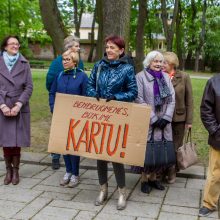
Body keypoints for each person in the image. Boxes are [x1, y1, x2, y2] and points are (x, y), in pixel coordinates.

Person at [86, 35, 137, 210]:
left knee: (115, 155)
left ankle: (122, 192)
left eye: (113, 48)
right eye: (107, 47)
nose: (109, 50)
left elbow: (133, 92)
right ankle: (103, 189)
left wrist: (116, 97)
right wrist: (95, 94)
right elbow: (89, 86)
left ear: (121, 51)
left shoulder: (127, 69)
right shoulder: (98, 66)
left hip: (118, 117)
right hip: (98, 115)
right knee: (100, 155)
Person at [135, 51, 175, 194]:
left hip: (164, 122)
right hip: (148, 121)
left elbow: (172, 99)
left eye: (160, 61)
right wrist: (153, 118)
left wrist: (166, 118)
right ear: (149, 62)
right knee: (147, 151)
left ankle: (154, 178)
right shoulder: (140, 77)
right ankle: (144, 179)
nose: (158, 64)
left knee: (159, 150)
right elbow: (139, 98)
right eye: (155, 61)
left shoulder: (166, 77)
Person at [49, 50, 88, 187]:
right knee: (64, 145)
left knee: (73, 146)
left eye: (67, 59)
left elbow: (86, 97)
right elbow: (52, 93)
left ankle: (75, 174)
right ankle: (68, 171)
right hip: (61, 116)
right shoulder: (59, 75)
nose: (64, 61)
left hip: (76, 118)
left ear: (75, 62)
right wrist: (53, 107)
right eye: (63, 59)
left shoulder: (82, 76)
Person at [46, 35, 84, 170]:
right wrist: (55, 102)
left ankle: (74, 170)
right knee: (60, 135)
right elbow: (50, 82)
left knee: (73, 138)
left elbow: (82, 84)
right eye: (76, 46)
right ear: (69, 47)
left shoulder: (79, 63)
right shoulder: (58, 63)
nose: (79, 48)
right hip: (60, 104)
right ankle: (56, 157)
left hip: (74, 109)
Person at [0, 35, 33, 185]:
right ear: (5, 46)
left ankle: (16, 171)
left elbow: (29, 87)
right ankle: (8, 170)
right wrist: (3, 105)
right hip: (3, 106)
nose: (15, 46)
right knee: (6, 140)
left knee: (17, 140)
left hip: (20, 106)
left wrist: (19, 104)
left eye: (17, 44)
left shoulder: (24, 63)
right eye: (11, 44)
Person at [163, 52, 193, 183]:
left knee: (175, 147)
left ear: (172, 64)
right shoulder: (160, 76)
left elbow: (190, 100)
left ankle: (172, 172)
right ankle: (161, 170)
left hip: (179, 118)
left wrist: (189, 121)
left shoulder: (184, 77)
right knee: (164, 145)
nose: (162, 64)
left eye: (164, 62)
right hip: (163, 117)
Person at [199, 73, 220, 217]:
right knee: (215, 173)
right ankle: (209, 203)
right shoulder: (214, 82)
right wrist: (216, 131)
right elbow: (206, 110)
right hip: (219, 137)